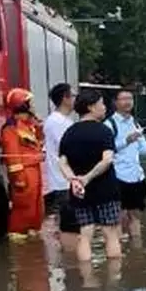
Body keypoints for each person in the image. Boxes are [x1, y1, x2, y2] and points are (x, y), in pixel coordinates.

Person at [58, 89, 122, 262]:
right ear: (91, 107)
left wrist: (74, 180)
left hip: (79, 192)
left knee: (85, 234)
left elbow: (62, 163)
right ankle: (114, 274)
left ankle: (86, 274)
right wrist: (87, 177)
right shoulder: (104, 131)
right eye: (101, 104)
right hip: (106, 190)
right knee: (110, 232)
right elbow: (107, 160)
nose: (104, 107)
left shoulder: (69, 133)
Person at [106, 90, 146, 240]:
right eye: (124, 99)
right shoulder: (109, 125)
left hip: (137, 176)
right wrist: (126, 141)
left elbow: (144, 151)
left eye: (130, 99)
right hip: (118, 176)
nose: (128, 102)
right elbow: (106, 150)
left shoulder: (135, 123)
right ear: (115, 102)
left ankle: (136, 248)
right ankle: (119, 247)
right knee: (119, 218)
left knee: (136, 216)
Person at [0, 89, 44, 241]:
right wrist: (18, 177)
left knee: (37, 205)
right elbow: (12, 156)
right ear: (22, 105)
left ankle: (33, 233)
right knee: (24, 204)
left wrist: (39, 126)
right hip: (24, 172)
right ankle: (17, 236)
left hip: (34, 169)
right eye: (30, 103)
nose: (33, 106)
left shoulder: (28, 125)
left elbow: (38, 143)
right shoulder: (10, 129)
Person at [42, 83, 79, 246]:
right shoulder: (57, 122)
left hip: (66, 180)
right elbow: (68, 148)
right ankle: (64, 256)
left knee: (65, 224)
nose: (76, 99)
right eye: (74, 96)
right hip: (62, 181)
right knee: (67, 225)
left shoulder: (64, 121)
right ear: (65, 98)